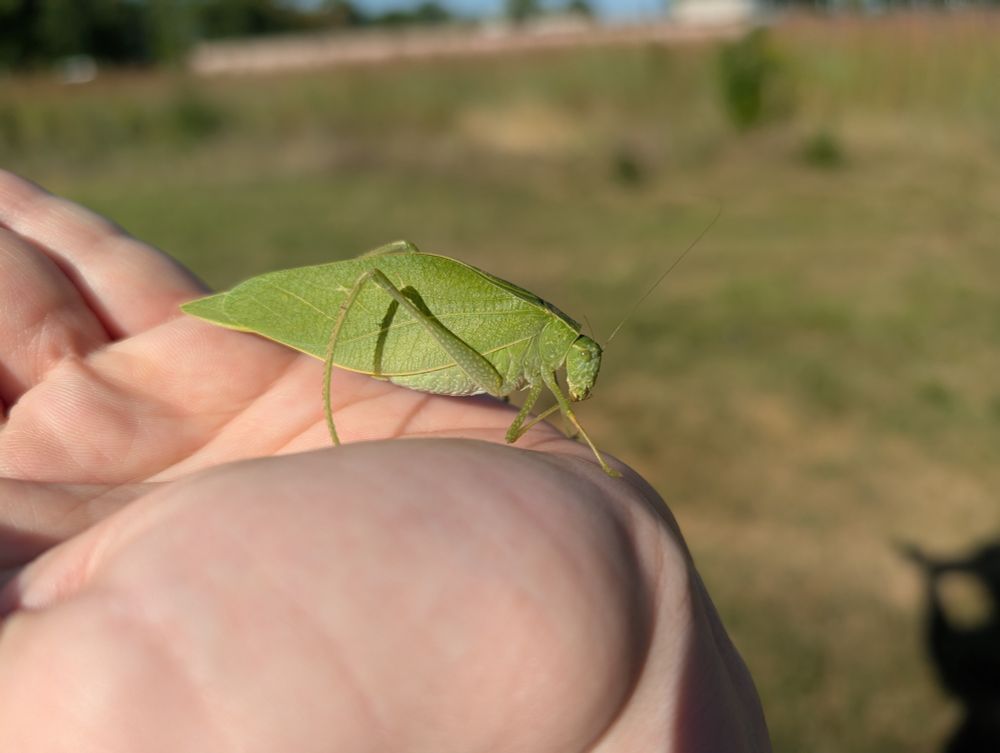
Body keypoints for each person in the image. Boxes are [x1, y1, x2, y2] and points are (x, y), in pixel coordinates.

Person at [0, 169, 770, 752]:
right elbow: (544, 399)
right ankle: (325, 380)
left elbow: (534, 410)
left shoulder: (554, 354)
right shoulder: (541, 343)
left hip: (439, 337)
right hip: (396, 321)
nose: (582, 383)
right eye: (580, 367)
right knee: (390, 271)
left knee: (402, 270)